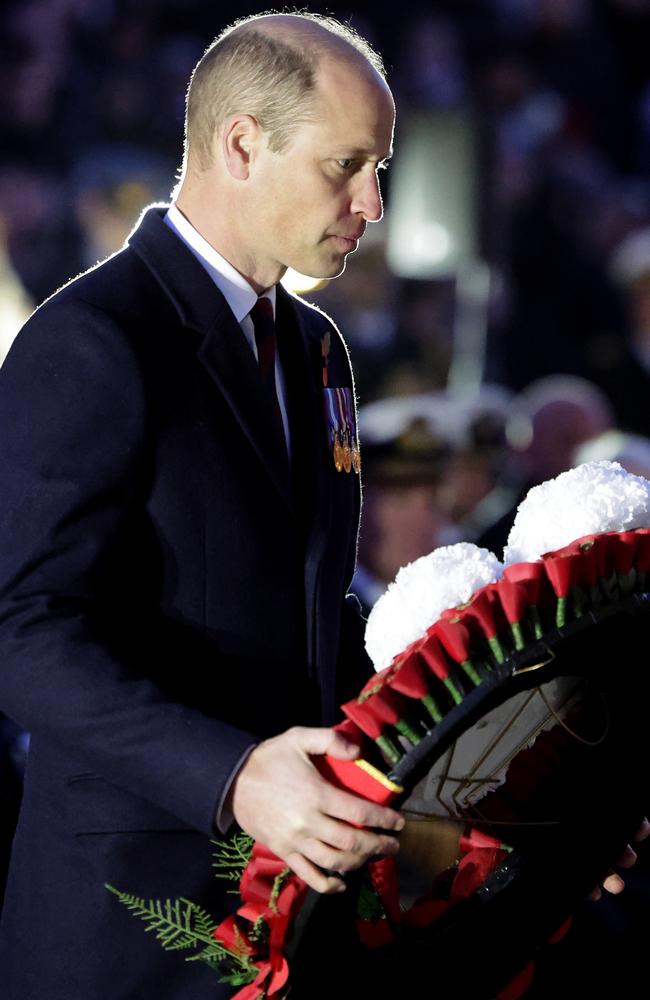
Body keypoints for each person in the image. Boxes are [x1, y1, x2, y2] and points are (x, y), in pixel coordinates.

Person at [0, 13, 403, 999]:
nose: (374, 201)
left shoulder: (316, 352)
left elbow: (313, 624)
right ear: (239, 144)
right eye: (345, 164)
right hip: (124, 932)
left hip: (295, 917)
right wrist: (231, 774)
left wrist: (484, 772)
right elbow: (19, 631)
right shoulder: (92, 339)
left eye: (377, 167)